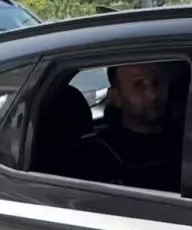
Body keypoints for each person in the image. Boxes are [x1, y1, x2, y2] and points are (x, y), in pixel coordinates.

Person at [74, 62, 184, 193]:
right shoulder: (99, 155)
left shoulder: (190, 137)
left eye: (156, 82)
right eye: (138, 85)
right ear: (116, 97)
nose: (152, 95)